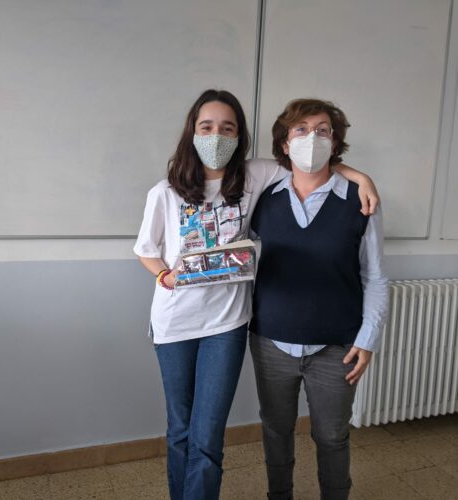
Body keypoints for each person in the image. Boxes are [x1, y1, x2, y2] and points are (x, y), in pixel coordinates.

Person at [133, 89, 379, 500]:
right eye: (206, 127)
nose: (216, 136)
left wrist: (360, 177)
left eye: (227, 128)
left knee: (208, 435)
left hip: (227, 324)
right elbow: (145, 250)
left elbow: (307, 161)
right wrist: (164, 276)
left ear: (239, 136)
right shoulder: (165, 191)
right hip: (174, 324)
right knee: (180, 430)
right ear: (192, 132)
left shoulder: (254, 177)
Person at [249, 98, 389, 500]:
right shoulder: (264, 198)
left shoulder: (361, 200)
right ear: (285, 142)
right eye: (301, 130)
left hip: (338, 346)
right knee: (276, 431)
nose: (312, 138)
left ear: (335, 141)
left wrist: (368, 339)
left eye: (322, 130)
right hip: (270, 341)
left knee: (331, 436)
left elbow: (375, 276)